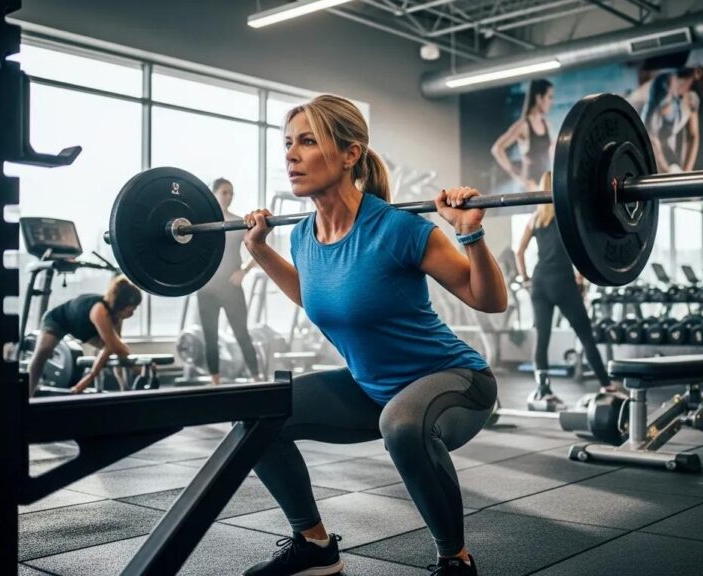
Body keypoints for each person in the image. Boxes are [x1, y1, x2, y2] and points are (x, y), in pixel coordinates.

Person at [240, 95, 503, 576]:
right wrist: (259, 251)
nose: (291, 155)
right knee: (258, 414)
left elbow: (488, 300)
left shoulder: (398, 228)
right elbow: (318, 296)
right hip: (372, 388)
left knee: (402, 425)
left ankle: (455, 561)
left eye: (308, 142)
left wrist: (470, 234)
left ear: (349, 154)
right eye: (288, 144)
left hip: (455, 380)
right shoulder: (302, 236)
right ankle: (315, 547)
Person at [516, 171, 618, 403]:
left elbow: (518, 251)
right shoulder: (567, 215)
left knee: (542, 338)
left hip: (540, 281)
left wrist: (525, 279)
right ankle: (607, 385)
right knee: (585, 336)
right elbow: (579, 250)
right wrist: (581, 279)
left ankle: (544, 389)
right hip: (562, 281)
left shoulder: (535, 218)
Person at [27, 275, 142, 396]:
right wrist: (138, 367)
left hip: (83, 330)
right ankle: (28, 393)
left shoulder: (117, 316)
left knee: (115, 349)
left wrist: (90, 376)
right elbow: (116, 346)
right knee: (43, 351)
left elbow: (112, 348)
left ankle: (124, 389)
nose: (132, 314)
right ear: (121, 304)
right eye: (130, 310)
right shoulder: (100, 310)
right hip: (58, 320)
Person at [196, 177, 261, 385]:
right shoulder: (202, 224)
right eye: (224, 192)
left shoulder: (238, 222)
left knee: (242, 334)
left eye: (231, 193)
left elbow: (259, 249)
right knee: (210, 338)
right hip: (207, 288)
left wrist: (243, 270)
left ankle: (257, 379)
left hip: (232, 287)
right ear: (214, 194)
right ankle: (216, 383)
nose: (228, 197)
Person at [638, 47, 703, 173]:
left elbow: (693, 135)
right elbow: (648, 135)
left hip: (661, 155)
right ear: (699, 72)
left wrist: (686, 174)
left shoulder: (692, 99)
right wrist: (668, 174)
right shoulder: (665, 85)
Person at [490, 79, 555, 193]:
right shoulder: (523, 125)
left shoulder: (547, 125)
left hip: (545, 188)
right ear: (539, 98)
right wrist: (519, 178)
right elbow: (497, 149)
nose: (551, 102)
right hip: (529, 189)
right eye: (549, 97)